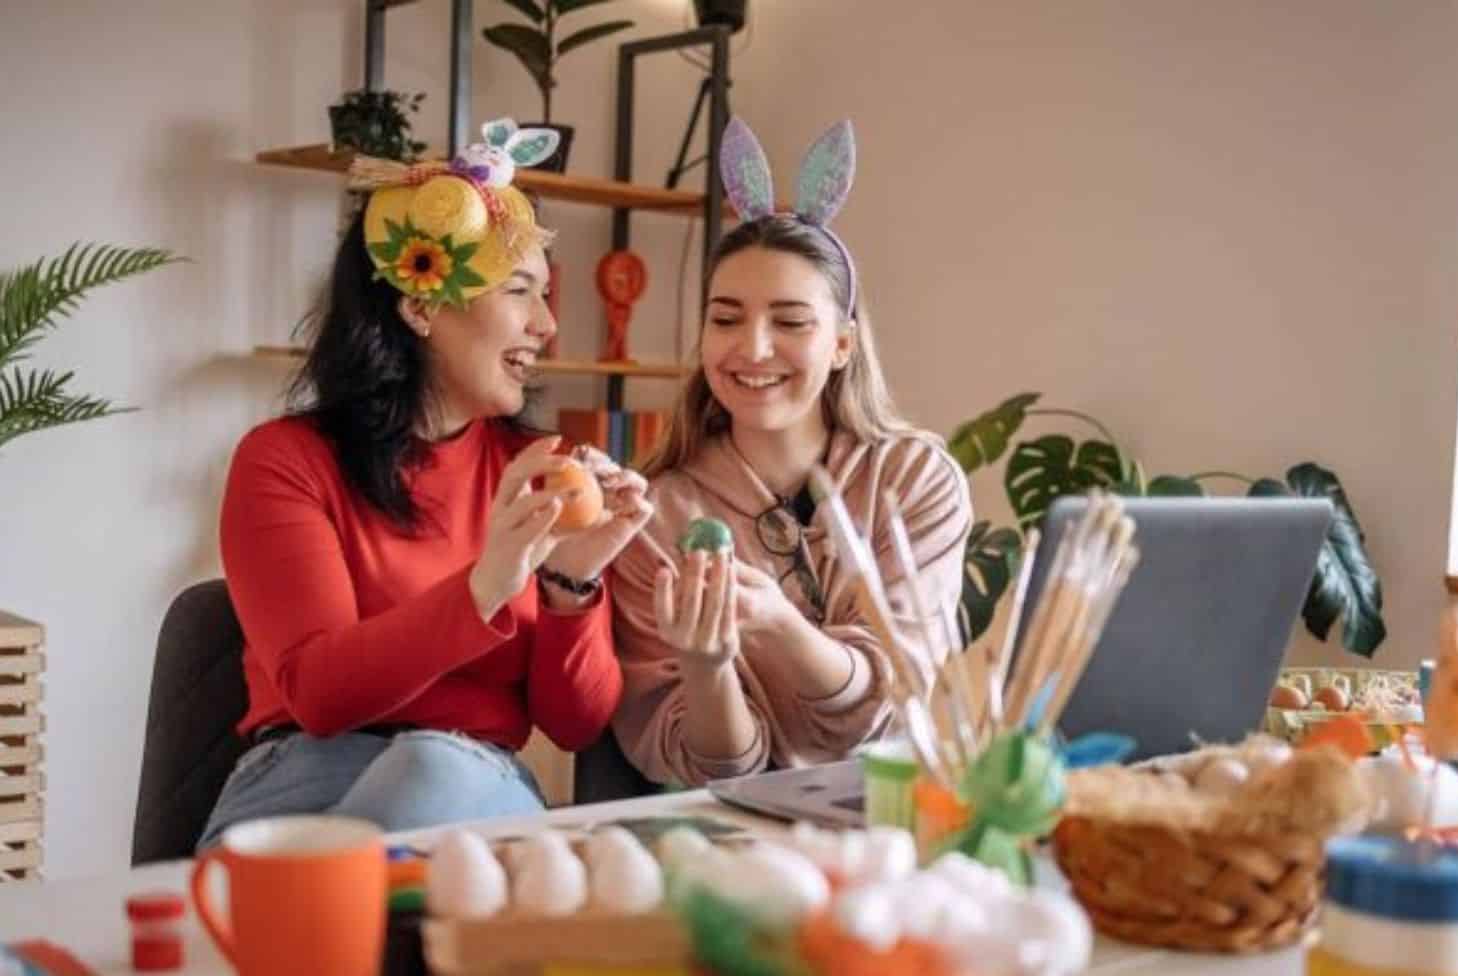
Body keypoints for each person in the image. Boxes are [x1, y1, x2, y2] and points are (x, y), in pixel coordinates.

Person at [198, 119, 652, 848]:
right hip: (299, 782)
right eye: (520, 292)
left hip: (470, 784)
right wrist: (486, 584)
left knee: (429, 770)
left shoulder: (539, 470)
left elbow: (576, 724)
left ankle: (302, 926)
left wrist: (573, 586)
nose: (546, 324)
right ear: (420, 305)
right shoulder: (284, 460)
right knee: (417, 780)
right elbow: (320, 698)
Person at [610, 118, 972, 787]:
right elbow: (712, 769)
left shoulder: (915, 479)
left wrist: (779, 625)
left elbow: (898, 709)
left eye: (790, 321)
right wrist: (708, 664)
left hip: (907, 812)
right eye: (725, 319)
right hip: (739, 835)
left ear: (841, 344)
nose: (751, 348)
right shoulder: (653, 516)